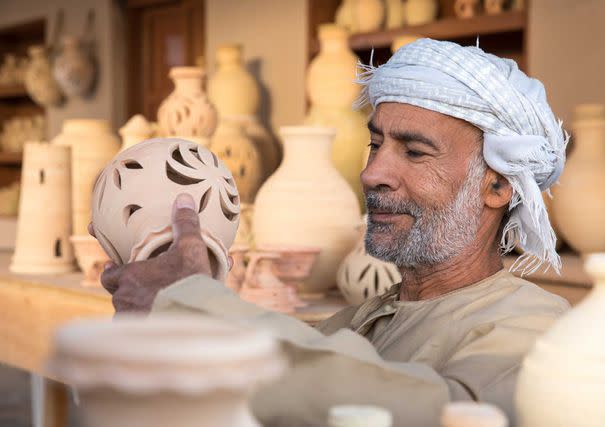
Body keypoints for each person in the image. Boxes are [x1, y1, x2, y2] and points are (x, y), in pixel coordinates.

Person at [93, 39, 570, 427]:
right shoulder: (359, 321)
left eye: (415, 153)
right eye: (375, 143)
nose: (371, 173)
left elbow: (441, 411)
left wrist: (193, 307)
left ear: (499, 185)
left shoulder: (537, 329)